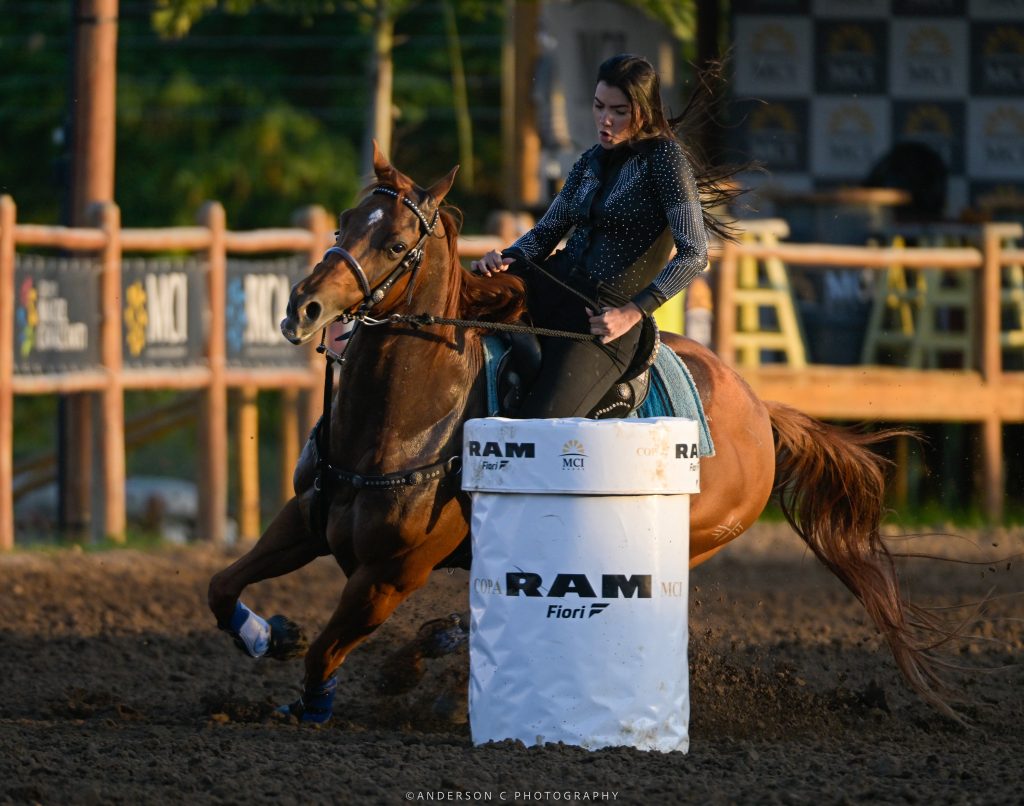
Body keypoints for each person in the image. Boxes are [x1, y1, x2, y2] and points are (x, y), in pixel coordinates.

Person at [472, 53, 728, 418]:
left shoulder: (667, 160)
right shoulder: (588, 160)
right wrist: (505, 259)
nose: (605, 120)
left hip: (602, 322)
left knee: (538, 429)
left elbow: (695, 254)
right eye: (598, 106)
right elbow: (545, 234)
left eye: (619, 110)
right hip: (550, 286)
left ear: (643, 111)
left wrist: (632, 312)